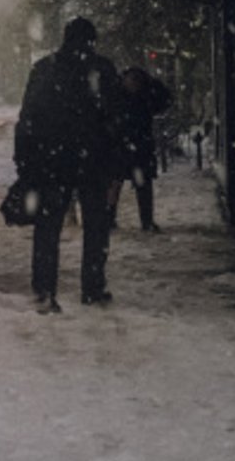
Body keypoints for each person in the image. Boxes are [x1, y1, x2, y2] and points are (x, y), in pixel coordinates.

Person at [14, 16, 125, 314]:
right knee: (96, 227)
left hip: (53, 160)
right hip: (93, 160)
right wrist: (115, 162)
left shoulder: (45, 69)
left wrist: (24, 159)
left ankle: (44, 290)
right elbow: (116, 118)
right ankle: (92, 286)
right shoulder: (102, 69)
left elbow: (28, 118)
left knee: (48, 228)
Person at [117, 66, 172, 231]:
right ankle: (141, 220)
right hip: (128, 144)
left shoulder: (143, 95)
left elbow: (164, 101)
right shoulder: (136, 96)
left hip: (135, 144)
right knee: (118, 182)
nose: (133, 84)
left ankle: (146, 220)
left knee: (140, 184)